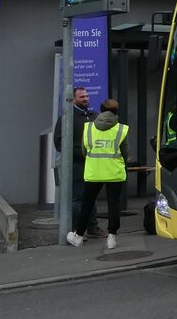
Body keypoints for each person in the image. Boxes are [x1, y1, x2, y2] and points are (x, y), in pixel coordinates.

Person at [67, 98, 130, 249]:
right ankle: (112, 238)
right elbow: (125, 152)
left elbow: (84, 150)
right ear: (116, 112)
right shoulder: (121, 129)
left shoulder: (89, 128)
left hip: (93, 172)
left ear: (101, 110)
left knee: (87, 204)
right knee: (113, 205)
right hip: (114, 172)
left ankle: (79, 236)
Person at [53, 86, 104, 239]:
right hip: (77, 164)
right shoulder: (67, 118)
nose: (86, 99)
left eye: (87, 96)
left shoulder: (94, 116)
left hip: (93, 163)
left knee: (92, 196)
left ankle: (92, 227)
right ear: (74, 99)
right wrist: (79, 154)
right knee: (78, 198)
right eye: (82, 97)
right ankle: (76, 229)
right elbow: (59, 142)